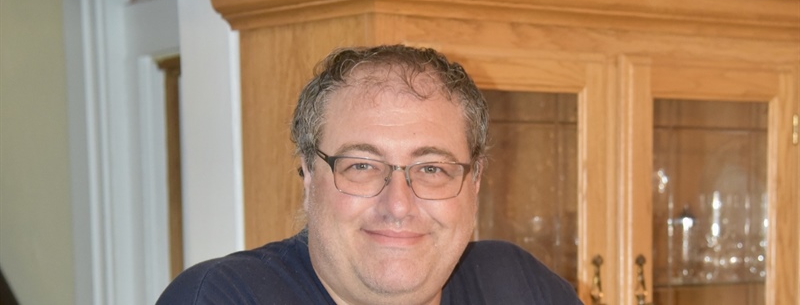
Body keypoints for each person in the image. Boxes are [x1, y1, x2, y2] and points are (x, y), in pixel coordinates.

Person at [157, 45, 583, 304]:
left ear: (475, 182)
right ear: (308, 174)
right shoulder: (222, 296)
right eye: (362, 166)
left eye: (431, 169)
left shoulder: (519, 287)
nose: (397, 205)